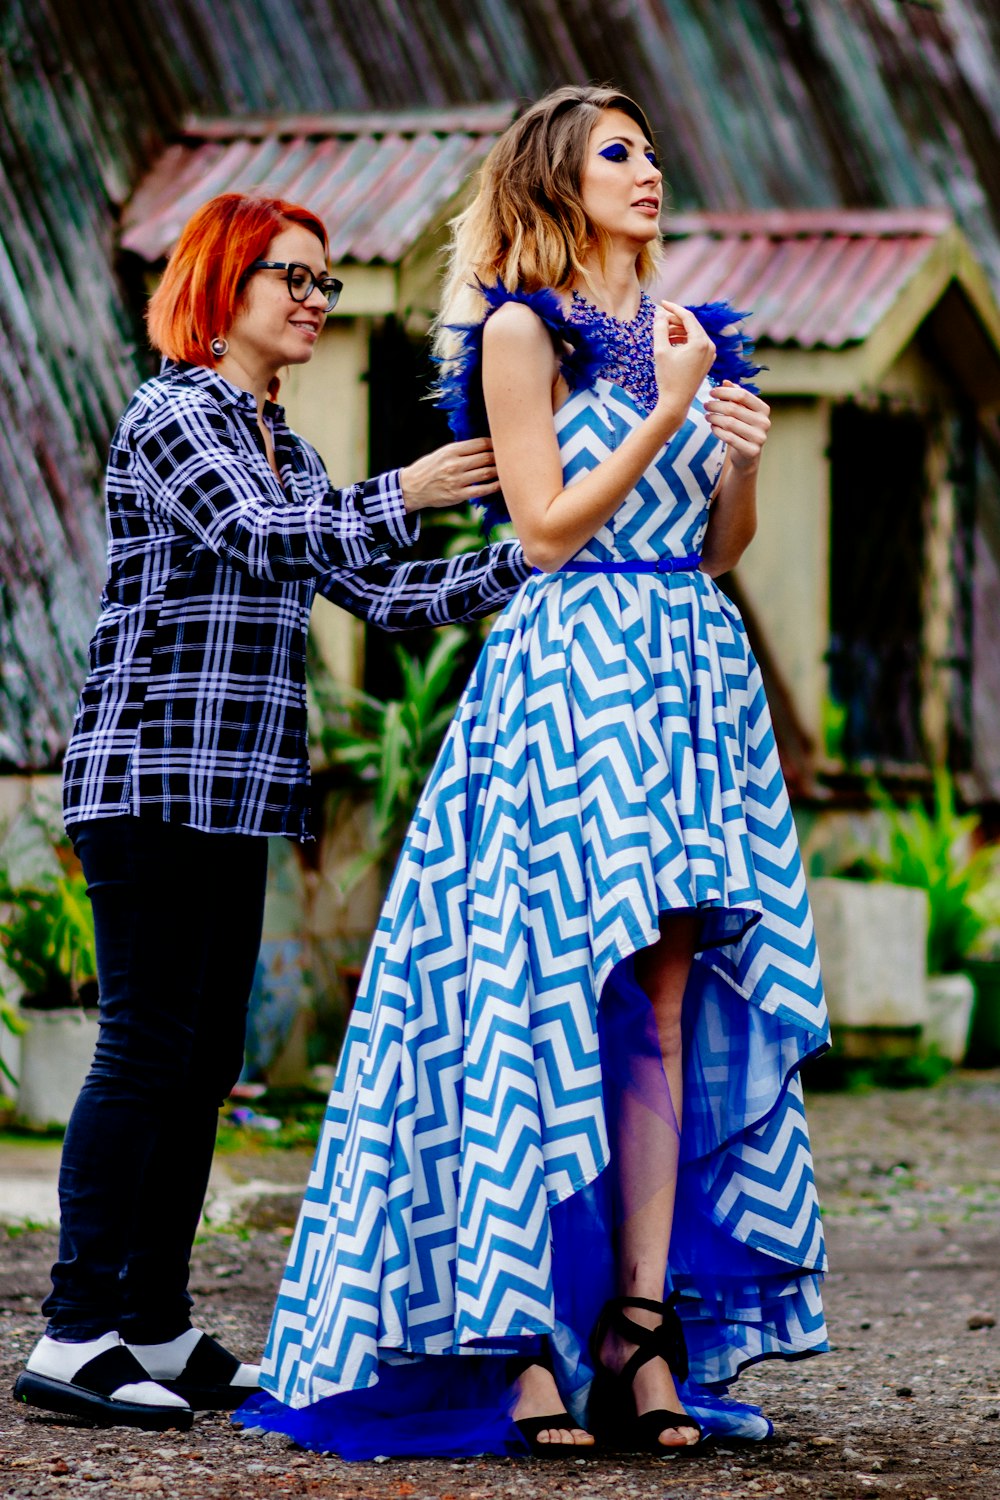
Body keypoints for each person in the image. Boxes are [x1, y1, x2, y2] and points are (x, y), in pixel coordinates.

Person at [246, 85, 830, 1460]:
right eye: (618, 153)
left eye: (651, 151)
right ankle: (514, 1344)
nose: (650, 172)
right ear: (557, 180)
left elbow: (720, 546)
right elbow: (548, 528)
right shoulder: (521, 329)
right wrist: (666, 409)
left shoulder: (690, 333)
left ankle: (638, 1330)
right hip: (572, 672)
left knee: (665, 1004)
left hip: (689, 669)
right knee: (551, 994)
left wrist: (732, 457)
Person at [13, 192, 534, 1432]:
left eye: (323, 283)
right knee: (144, 1047)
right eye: (290, 279)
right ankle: (73, 1331)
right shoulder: (174, 414)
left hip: (235, 793)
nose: (313, 300)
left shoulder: (285, 443)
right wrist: (405, 486)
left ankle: (152, 1319)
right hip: (146, 777)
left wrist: (537, 558)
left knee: (203, 1062)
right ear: (221, 286)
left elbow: (382, 593)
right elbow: (262, 538)